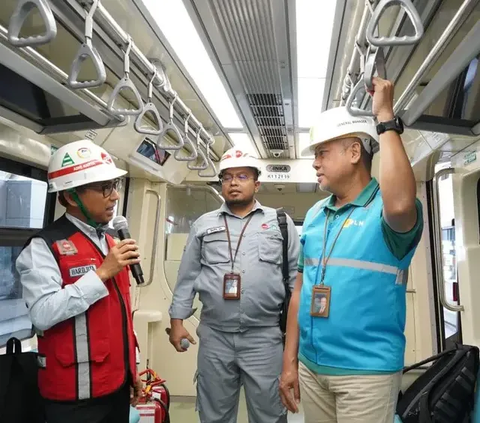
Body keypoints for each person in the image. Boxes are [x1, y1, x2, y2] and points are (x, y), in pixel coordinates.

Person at [279, 77, 424, 423]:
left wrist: (385, 117)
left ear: (354, 152)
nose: (315, 163)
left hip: (366, 372)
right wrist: (289, 361)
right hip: (313, 368)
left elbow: (403, 205)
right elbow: (300, 291)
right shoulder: (315, 215)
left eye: (322, 153)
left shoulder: (387, 211)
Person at [168, 147, 300, 423]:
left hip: (265, 337)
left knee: (270, 415)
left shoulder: (280, 223)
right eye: (227, 177)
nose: (234, 182)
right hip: (215, 336)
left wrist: (295, 339)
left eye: (242, 176)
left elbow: (295, 282)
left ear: (257, 182)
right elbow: (188, 276)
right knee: (214, 414)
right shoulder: (204, 225)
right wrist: (177, 321)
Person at [16, 140, 143, 423]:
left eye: (115, 186)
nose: (114, 197)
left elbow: (122, 318)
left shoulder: (112, 241)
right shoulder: (43, 247)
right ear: (72, 197)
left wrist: (132, 371)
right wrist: (100, 274)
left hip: (117, 387)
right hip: (74, 398)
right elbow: (43, 313)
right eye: (104, 188)